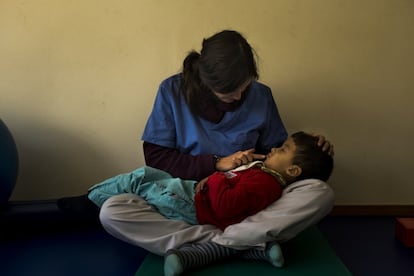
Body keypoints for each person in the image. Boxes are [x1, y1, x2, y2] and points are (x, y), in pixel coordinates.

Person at [58, 29, 334, 256]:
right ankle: (237, 244)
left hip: (250, 201)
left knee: (319, 192)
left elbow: (278, 156)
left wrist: (313, 150)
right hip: (189, 199)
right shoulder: (171, 91)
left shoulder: (261, 95)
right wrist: (216, 164)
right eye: (229, 91)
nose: (239, 97)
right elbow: (157, 159)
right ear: (206, 82)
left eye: (245, 86)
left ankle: (210, 247)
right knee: (112, 212)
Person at [85, 131, 333, 276]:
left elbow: (227, 201)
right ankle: (244, 248)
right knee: (113, 209)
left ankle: (88, 199)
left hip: (193, 202)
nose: (274, 148)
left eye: (281, 149)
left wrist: (216, 177)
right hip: (194, 194)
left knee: (140, 178)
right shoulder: (260, 171)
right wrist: (217, 168)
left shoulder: (266, 179)